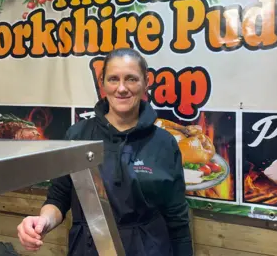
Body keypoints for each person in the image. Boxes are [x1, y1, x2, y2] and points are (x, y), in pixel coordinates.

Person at [17, 48, 193, 255]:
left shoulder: (164, 143)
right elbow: (58, 198)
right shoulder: (78, 135)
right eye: (113, 79)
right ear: (102, 83)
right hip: (88, 248)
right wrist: (43, 221)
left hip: (149, 249)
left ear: (146, 82)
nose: (121, 88)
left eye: (131, 79)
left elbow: (177, 218)